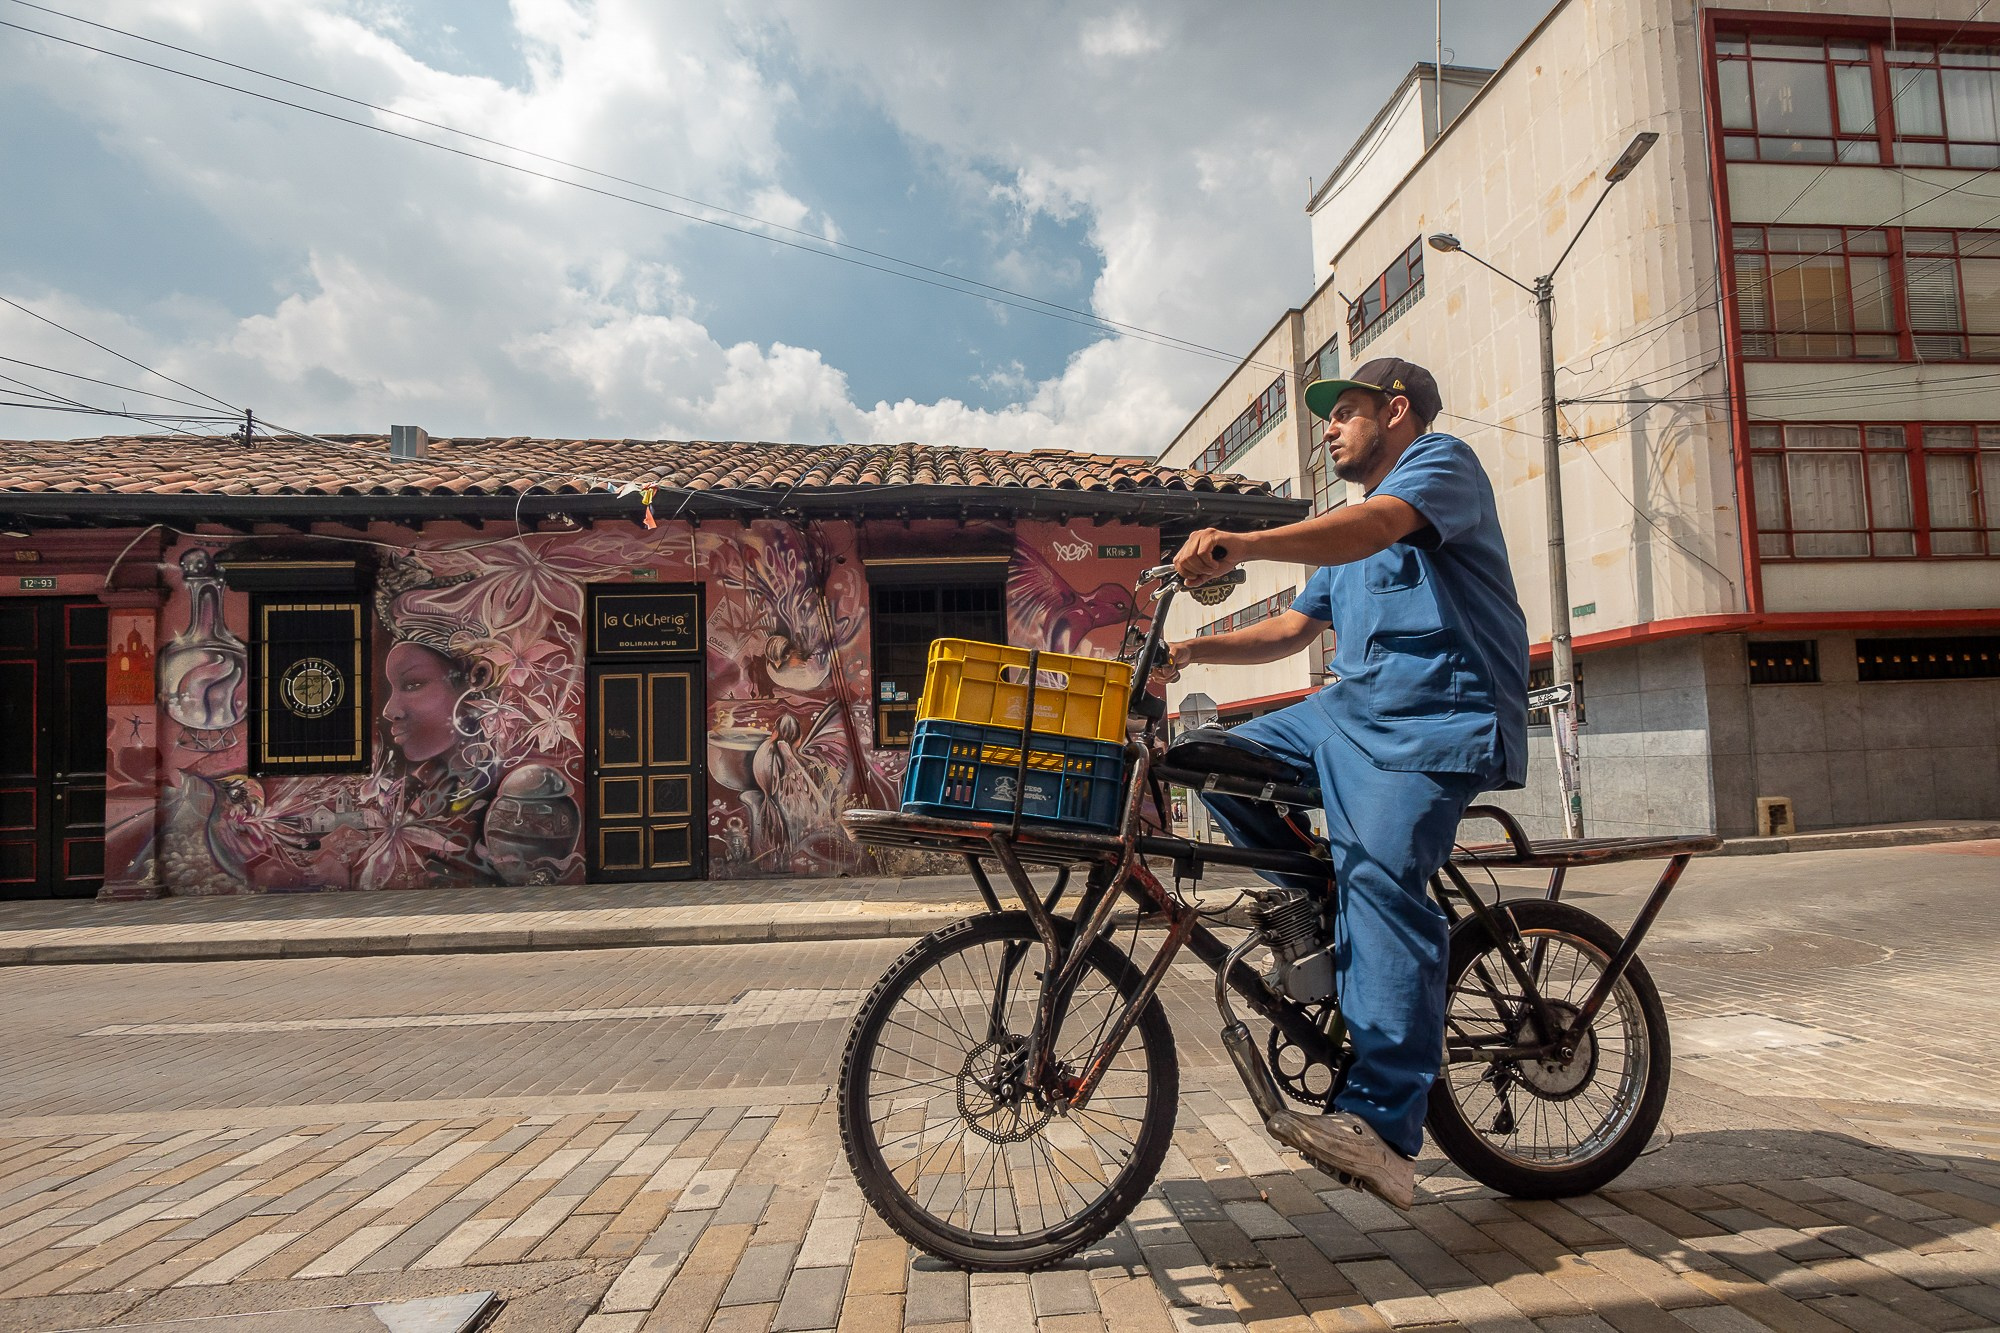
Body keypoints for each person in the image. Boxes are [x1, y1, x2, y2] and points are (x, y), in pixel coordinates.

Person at [1164, 357, 1528, 1208]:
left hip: (1438, 716)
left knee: (1382, 877)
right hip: (1350, 711)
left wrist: (1244, 542)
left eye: (1345, 411)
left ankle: (1385, 1127)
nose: (1328, 427)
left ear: (1396, 411)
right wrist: (1194, 650)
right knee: (1209, 758)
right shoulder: (1348, 527)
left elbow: (1373, 529)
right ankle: (1331, 919)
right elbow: (1295, 628)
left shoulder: (1438, 467)